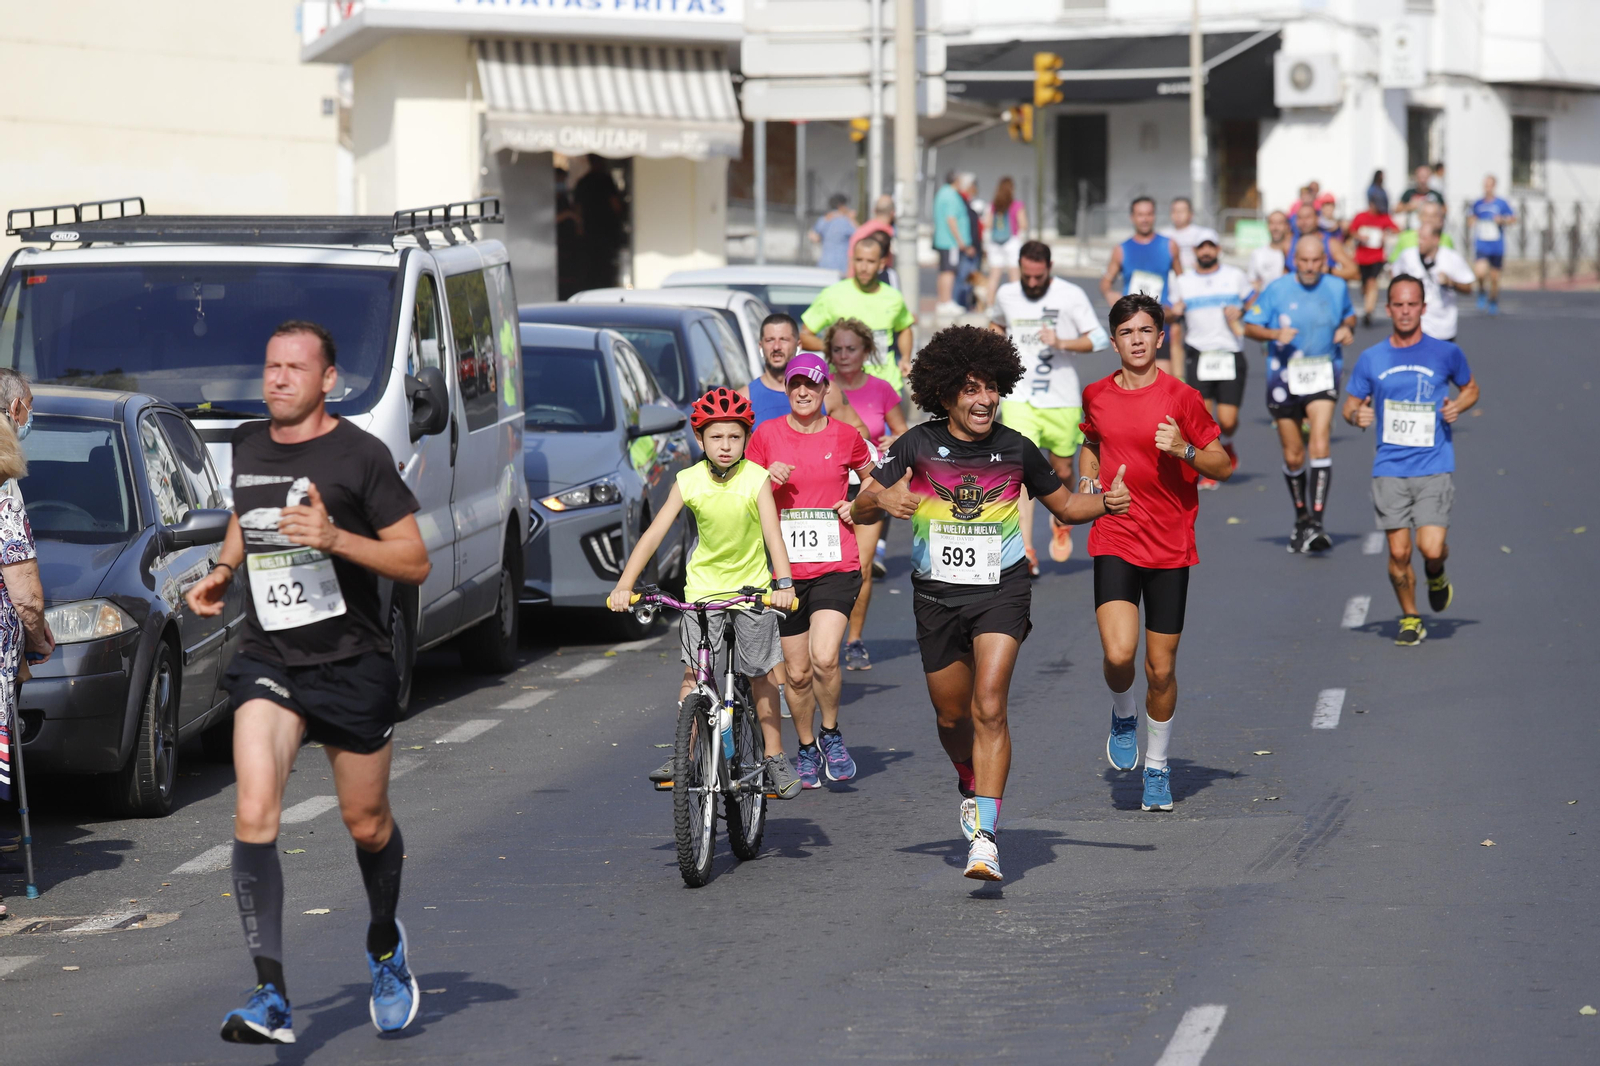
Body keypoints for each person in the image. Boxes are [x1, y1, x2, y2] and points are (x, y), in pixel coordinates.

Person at [184, 322, 432, 1043]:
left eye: (296, 368)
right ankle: (271, 996)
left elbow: (413, 560)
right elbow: (246, 514)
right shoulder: (247, 444)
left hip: (354, 664)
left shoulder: (360, 455)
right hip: (271, 660)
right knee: (255, 812)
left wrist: (334, 540)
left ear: (329, 380)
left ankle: (385, 946)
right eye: (270, 366)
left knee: (367, 822)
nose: (278, 379)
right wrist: (225, 571)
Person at [853, 324, 1129, 881]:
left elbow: (1069, 509)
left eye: (991, 389)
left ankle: (985, 837)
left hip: (1001, 592)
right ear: (947, 393)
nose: (984, 400)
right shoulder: (917, 446)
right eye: (972, 390)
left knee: (989, 705)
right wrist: (884, 495)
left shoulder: (1016, 449)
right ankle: (967, 777)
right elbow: (860, 507)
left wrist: (1108, 503)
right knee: (952, 715)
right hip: (935, 597)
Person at [1080, 294, 1232, 812]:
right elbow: (1092, 442)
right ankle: (1124, 714)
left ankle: (1159, 768)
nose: (1137, 339)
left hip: (1169, 544)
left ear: (1160, 337)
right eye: (1127, 332)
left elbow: (1222, 464)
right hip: (1117, 534)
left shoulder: (1182, 397)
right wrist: (1087, 478)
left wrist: (1183, 450)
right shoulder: (1096, 393)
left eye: (1146, 330)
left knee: (1161, 670)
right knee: (1120, 654)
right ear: (1114, 339)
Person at [609, 388, 801, 795]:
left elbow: (773, 535)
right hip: (702, 590)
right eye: (716, 438)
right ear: (700, 440)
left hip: (753, 590)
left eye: (734, 437)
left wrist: (783, 584)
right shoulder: (688, 480)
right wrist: (625, 585)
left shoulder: (756, 478)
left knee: (761, 672)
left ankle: (774, 755)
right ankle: (685, 754)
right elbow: (654, 534)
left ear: (746, 438)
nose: (726, 445)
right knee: (695, 675)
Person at [746, 354, 875, 787]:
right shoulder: (765, 436)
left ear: (825, 391)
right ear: (787, 389)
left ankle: (831, 734)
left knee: (824, 658)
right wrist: (764, 476)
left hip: (836, 564)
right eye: (795, 384)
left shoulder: (845, 436)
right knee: (797, 674)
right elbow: (741, 492)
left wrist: (857, 505)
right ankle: (804, 747)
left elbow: (876, 480)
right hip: (784, 572)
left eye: (811, 385)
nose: (803, 391)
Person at [1342, 275, 1477, 647]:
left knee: (1430, 548)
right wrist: (1357, 417)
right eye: (1398, 305)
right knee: (1399, 551)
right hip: (1389, 467)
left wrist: (1458, 406)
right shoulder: (1372, 358)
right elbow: (1350, 404)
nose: (1405, 311)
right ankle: (1411, 616)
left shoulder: (1445, 353)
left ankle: (1436, 572)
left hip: (1434, 464)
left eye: (1411, 304)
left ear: (1423, 308)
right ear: (1388, 309)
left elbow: (1470, 388)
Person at [988, 240, 1109, 569]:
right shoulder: (1007, 294)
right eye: (1026, 275)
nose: (1031, 283)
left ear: (1049, 269)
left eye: (1037, 277)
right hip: (1019, 398)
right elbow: (996, 322)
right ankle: (1025, 549)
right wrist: (998, 347)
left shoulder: (1070, 295)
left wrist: (1062, 342)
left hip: (1061, 398)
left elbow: (1099, 339)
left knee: (1064, 469)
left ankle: (1061, 517)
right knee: (1019, 469)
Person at [1242, 235, 1356, 554]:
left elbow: (1349, 315)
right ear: (1294, 260)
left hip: (1322, 372)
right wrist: (1274, 334)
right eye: (1303, 261)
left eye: (1315, 261)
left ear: (1325, 261)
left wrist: (1348, 328)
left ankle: (1317, 522)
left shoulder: (1336, 287)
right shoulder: (1277, 288)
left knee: (1319, 441)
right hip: (1283, 376)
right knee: (1294, 454)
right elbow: (1249, 326)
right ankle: (1301, 517)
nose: (1309, 267)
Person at [823, 318, 907, 669]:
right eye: (837, 349)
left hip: (869, 480)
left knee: (862, 566)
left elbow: (903, 432)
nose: (844, 356)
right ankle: (824, 639)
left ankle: (854, 640)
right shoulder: (818, 386)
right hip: (828, 481)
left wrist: (893, 439)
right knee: (827, 566)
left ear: (867, 352)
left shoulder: (881, 388)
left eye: (851, 349)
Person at [0, 372, 54, 861]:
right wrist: (37, 635)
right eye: (29, 408)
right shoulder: (4, 489)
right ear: (15, 410)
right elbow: (25, 593)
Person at [1167, 238, 1251, 489]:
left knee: (1227, 421)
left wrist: (1243, 310)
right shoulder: (1183, 282)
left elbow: (1255, 300)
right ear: (1194, 251)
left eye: (1210, 246)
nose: (1205, 251)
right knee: (1202, 419)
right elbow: (1169, 313)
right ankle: (1210, 467)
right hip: (1199, 354)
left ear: (1218, 249)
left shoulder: (1235, 276)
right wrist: (1175, 311)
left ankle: (1227, 444)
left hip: (1229, 354)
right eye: (1200, 247)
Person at [800, 237, 915, 394]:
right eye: (859, 260)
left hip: (886, 386)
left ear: (881, 263)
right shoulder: (832, 295)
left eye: (870, 261)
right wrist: (834, 348)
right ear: (852, 260)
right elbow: (804, 336)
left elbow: (904, 328)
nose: (863, 267)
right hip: (843, 388)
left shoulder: (893, 297)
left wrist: (905, 358)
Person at [741, 313, 867, 437]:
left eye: (784, 339)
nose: (776, 347)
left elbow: (859, 431)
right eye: (770, 340)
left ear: (798, 345)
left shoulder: (826, 391)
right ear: (760, 346)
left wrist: (834, 452)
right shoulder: (743, 399)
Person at [1100, 196, 1182, 377]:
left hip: (1161, 317)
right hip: (1132, 319)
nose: (1144, 219)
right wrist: (1110, 294)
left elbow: (1183, 281)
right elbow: (1106, 282)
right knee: (1136, 377)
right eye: (1140, 215)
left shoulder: (1169, 245)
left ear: (1154, 216)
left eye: (1149, 214)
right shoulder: (1121, 249)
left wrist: (1180, 303)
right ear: (1132, 217)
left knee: (1163, 378)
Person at [1159, 196, 1220, 361]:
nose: (1177, 215)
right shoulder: (1164, 235)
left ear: (1190, 214)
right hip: (1174, 290)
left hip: (1197, 290)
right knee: (1175, 330)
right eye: (1174, 211)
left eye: (1182, 211)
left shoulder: (1201, 234)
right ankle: (1178, 374)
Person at [1393, 223, 1475, 342]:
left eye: (1424, 238)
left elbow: (1468, 287)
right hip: (1418, 326)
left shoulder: (1451, 258)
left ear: (1436, 240)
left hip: (1444, 328)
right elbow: (1394, 276)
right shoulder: (1408, 255)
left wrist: (1451, 282)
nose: (1419, 242)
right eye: (1418, 237)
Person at [1346, 195, 1400, 326]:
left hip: (1376, 256)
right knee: (1365, 285)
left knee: (1372, 282)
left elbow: (1397, 229)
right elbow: (1351, 230)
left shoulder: (1384, 217)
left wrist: (1386, 233)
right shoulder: (1361, 216)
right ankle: (1368, 303)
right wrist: (1360, 236)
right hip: (1362, 256)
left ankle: (1368, 311)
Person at [573, 154, 624, 291]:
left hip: (590, 234)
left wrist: (580, 229)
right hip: (606, 233)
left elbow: (577, 210)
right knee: (605, 270)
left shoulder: (583, 181)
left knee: (591, 270)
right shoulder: (605, 180)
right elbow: (616, 205)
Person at [933, 172, 978, 317]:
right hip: (950, 241)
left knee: (944, 271)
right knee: (949, 272)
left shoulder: (942, 193)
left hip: (943, 239)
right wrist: (960, 241)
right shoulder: (951, 195)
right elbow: (951, 219)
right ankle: (947, 301)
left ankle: (943, 301)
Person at [1470, 175, 1516, 315]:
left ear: (1494, 186)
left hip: (1496, 244)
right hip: (1482, 243)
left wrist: (1502, 220)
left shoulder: (1501, 203)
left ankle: (1493, 300)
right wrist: (1472, 221)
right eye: (1485, 185)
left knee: (1495, 278)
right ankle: (1482, 291)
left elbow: (1513, 218)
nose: (1487, 188)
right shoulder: (1478, 203)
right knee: (1480, 272)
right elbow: (1471, 218)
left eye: (1490, 185)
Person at [983, 177, 1028, 308]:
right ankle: (1015, 304)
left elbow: (988, 224)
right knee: (1014, 275)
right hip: (1012, 241)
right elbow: (1023, 224)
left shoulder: (993, 205)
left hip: (995, 242)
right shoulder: (1017, 205)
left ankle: (989, 305)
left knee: (994, 276)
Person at [1291, 204, 1357, 281]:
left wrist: (1329, 271)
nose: (1304, 222)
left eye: (1308, 217)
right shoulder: (1290, 242)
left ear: (1317, 218)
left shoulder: (1330, 243)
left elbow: (1353, 271)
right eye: (1300, 218)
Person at [1390, 200, 1457, 262]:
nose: (1429, 219)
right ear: (1419, 216)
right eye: (1426, 215)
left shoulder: (1446, 239)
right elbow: (1393, 264)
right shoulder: (1405, 237)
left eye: (1434, 215)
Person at [1247, 210, 1292, 296]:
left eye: (1280, 223)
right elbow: (1252, 282)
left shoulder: (1294, 253)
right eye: (1272, 223)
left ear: (1287, 226)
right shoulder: (1257, 254)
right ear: (1267, 226)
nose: (1275, 228)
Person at [850, 193, 898, 274]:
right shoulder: (886, 233)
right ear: (893, 213)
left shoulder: (861, 230)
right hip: (877, 282)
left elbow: (850, 262)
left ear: (874, 211)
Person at [810, 193, 857, 274]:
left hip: (825, 263)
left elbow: (813, 236)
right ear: (841, 206)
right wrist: (852, 219)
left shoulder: (824, 219)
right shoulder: (845, 221)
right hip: (842, 265)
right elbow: (860, 234)